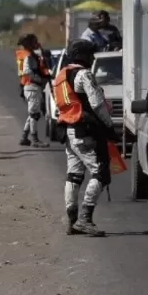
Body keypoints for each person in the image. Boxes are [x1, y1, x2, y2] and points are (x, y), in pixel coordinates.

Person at [52, 38, 117, 236]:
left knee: (74, 175)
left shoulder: (61, 76)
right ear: (82, 56)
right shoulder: (84, 74)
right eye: (90, 54)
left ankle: (72, 220)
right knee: (101, 173)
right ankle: (85, 219)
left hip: (68, 130)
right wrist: (109, 125)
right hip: (85, 130)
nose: (93, 57)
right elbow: (97, 104)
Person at [17, 34, 51, 147]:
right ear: (29, 44)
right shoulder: (29, 56)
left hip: (29, 86)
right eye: (35, 41)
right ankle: (35, 140)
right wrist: (39, 80)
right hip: (32, 86)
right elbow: (27, 71)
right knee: (35, 114)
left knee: (33, 114)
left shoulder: (29, 55)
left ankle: (24, 137)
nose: (37, 43)